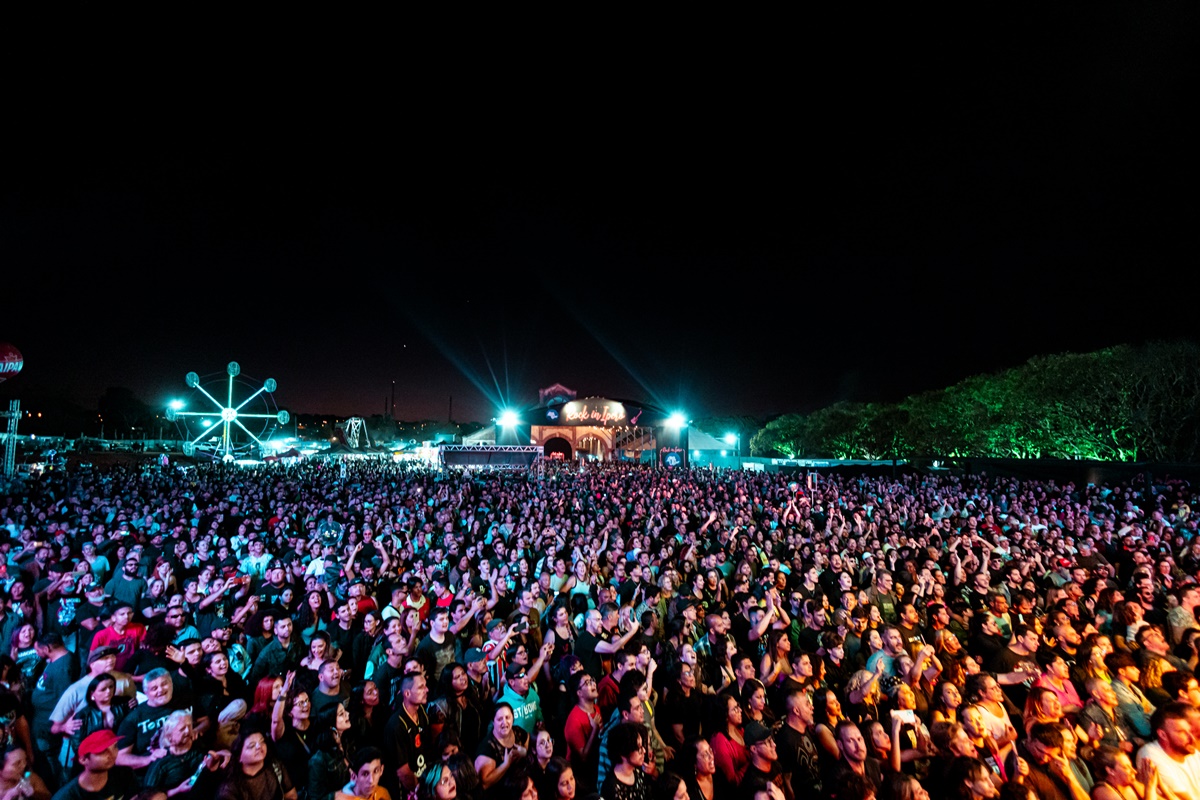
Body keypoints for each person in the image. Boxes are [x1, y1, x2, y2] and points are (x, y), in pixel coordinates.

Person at [50, 730, 143, 800]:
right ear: (83, 760)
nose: (112, 754)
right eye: (102, 752)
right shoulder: (66, 796)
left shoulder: (125, 774)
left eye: (114, 747)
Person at [1134, 701, 1200, 800]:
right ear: (1162, 735)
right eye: (1181, 732)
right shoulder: (1150, 756)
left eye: (1190, 731)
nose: (1191, 738)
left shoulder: (1189, 750)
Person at [215, 729, 297, 800]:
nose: (259, 746)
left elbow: (291, 795)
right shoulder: (229, 788)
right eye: (252, 746)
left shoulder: (275, 766)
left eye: (262, 741)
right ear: (239, 757)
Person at [473, 703, 528, 798]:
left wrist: (525, 751)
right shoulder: (487, 748)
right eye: (499, 719)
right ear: (493, 722)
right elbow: (484, 784)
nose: (505, 722)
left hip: (519, 791)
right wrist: (505, 765)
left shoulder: (517, 731)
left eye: (508, 717)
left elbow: (527, 736)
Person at [599, 721, 651, 800]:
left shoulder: (638, 772)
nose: (644, 751)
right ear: (624, 753)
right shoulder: (610, 787)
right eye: (639, 748)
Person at [1091, 744, 1159, 800]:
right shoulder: (1101, 792)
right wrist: (1150, 787)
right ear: (1111, 771)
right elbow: (1150, 791)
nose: (1134, 771)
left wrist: (1160, 784)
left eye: (1131, 766)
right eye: (1126, 767)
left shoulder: (1131, 783)